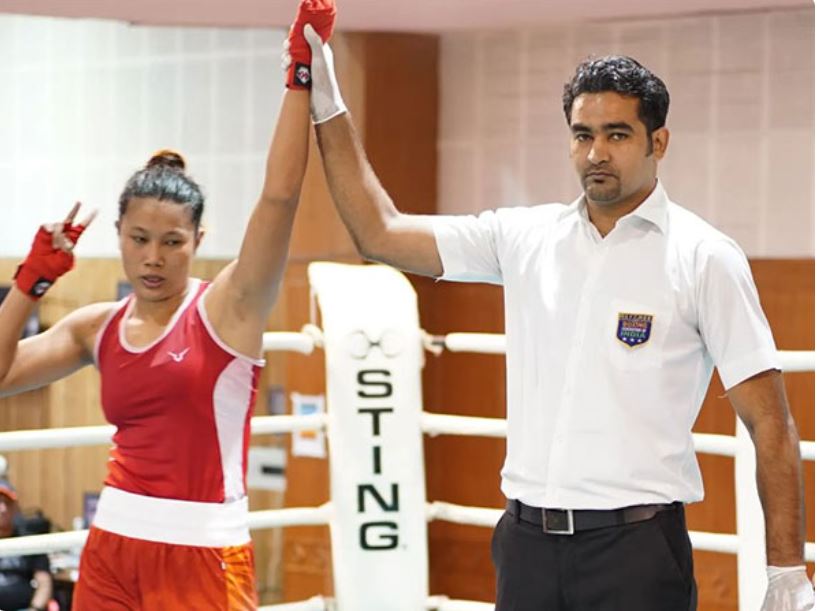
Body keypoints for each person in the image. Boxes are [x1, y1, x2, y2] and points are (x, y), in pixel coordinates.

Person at [289, 26, 815, 611]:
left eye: (617, 135)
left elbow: (771, 422)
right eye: (583, 135)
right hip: (527, 548)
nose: (596, 153)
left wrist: (786, 570)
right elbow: (378, 231)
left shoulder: (704, 257)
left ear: (658, 142)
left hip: (636, 552)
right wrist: (327, 103)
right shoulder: (523, 238)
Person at [0, 1, 336, 608]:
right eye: (139, 240)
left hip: (203, 553)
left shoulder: (229, 308)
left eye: (172, 243)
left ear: (198, 243)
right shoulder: (96, 327)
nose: (154, 258)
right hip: (112, 547)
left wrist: (299, 73)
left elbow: (281, 197)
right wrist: (29, 282)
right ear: (120, 238)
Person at [0, 478, 53, 611]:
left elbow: (44, 582)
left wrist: (35, 608)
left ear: (16, 508)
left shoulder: (29, 541)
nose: (2, 509)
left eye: (7, 503)